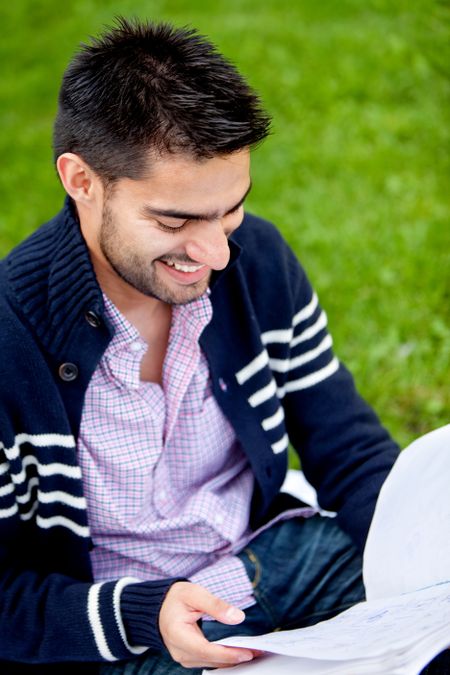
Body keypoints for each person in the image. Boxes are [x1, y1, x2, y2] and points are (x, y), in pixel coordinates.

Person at [0, 17, 401, 675]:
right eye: (175, 219)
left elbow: (349, 450)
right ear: (81, 180)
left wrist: (415, 550)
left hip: (269, 559)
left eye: (231, 208)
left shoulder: (257, 262)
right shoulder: (11, 339)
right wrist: (144, 614)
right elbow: (8, 595)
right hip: (122, 628)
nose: (217, 252)